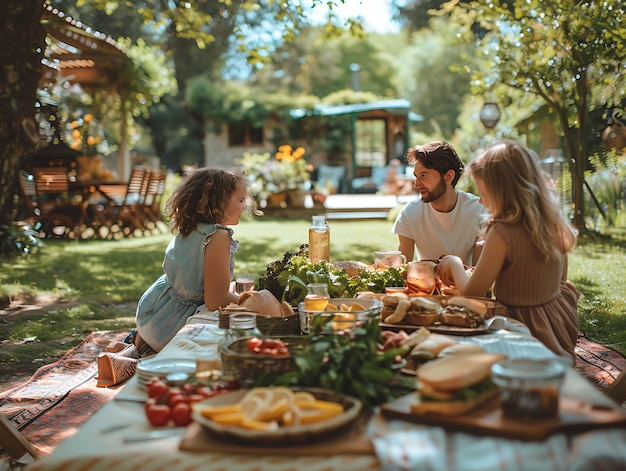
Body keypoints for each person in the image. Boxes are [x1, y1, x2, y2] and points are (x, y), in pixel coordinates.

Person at [437, 140, 580, 364]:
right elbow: (561, 280)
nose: (481, 200)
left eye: (484, 193)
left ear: (506, 191)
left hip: (519, 329)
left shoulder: (501, 231)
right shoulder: (552, 220)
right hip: (556, 322)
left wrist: (454, 263)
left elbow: (472, 292)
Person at [133, 167, 258, 356]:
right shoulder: (218, 235)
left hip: (155, 312)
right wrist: (253, 301)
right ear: (218, 204)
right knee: (241, 337)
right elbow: (215, 300)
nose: (244, 206)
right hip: (175, 325)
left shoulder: (194, 228)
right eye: (240, 200)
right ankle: (151, 351)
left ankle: (138, 346)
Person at [391, 141, 485, 265]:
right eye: (416, 176)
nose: (416, 184)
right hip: (425, 283)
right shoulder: (410, 213)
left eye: (424, 175)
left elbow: (478, 272)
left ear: (448, 177)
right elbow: (402, 269)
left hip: (467, 283)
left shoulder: (479, 211)